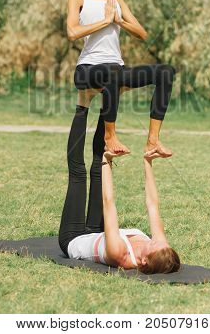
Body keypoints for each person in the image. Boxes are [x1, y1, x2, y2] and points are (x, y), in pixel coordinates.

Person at [66, 0, 176, 158]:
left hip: (115, 67)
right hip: (88, 68)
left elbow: (142, 33)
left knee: (166, 72)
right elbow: (72, 32)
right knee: (113, 74)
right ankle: (110, 136)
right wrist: (105, 21)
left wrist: (119, 20)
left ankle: (152, 141)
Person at [58, 105, 180, 273]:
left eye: (153, 244)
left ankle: (82, 104)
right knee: (98, 167)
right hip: (97, 232)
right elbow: (152, 204)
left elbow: (109, 203)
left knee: (78, 174)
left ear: (143, 261)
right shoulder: (161, 249)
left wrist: (106, 160)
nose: (155, 240)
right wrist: (148, 161)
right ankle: (107, 97)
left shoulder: (119, 253)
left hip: (73, 238)